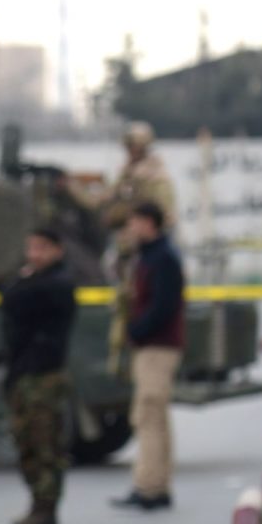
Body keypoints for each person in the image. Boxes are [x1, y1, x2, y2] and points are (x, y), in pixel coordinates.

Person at [81, 122, 178, 373]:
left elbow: (167, 215)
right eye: (128, 146)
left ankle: (128, 358)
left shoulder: (156, 177)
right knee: (124, 300)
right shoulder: (129, 173)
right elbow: (103, 200)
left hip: (145, 253)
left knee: (138, 301)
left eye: (134, 146)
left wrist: (141, 234)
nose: (130, 151)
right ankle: (120, 359)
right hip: (129, 250)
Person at [2, 228, 79, 524]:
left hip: (44, 375)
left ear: (57, 250)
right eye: (31, 248)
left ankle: (46, 506)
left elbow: (17, 297)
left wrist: (23, 281)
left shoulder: (58, 283)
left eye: (42, 248)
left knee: (45, 443)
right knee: (26, 441)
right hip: (23, 373)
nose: (35, 255)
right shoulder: (32, 281)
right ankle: (38, 502)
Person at [112, 202, 185, 511]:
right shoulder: (150, 255)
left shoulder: (163, 258)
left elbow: (163, 306)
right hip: (155, 344)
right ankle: (158, 484)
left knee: (148, 415)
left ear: (148, 223)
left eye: (134, 223)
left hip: (157, 346)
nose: (130, 231)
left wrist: (137, 331)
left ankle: (148, 486)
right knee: (156, 416)